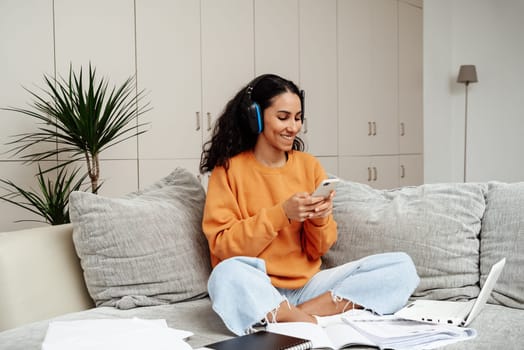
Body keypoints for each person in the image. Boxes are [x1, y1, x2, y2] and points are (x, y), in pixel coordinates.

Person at [199, 74, 419, 336]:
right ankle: (304, 317)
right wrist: (282, 214)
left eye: (298, 117)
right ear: (255, 116)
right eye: (283, 117)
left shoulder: (308, 166)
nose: (293, 127)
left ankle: (295, 315)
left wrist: (319, 218)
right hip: (257, 284)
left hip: (309, 285)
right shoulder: (228, 171)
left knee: (401, 267)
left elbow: (317, 251)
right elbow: (224, 247)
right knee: (225, 275)